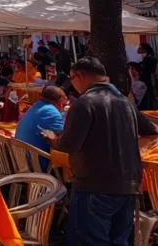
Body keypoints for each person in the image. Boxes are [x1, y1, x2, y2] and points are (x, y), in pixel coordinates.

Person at [50, 57, 158, 244]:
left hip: (94, 185)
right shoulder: (125, 101)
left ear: (80, 76)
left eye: (72, 78)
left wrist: (54, 140)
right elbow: (152, 130)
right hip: (127, 186)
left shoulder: (84, 102)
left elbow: (70, 145)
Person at [14, 85, 65, 166]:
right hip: (37, 167)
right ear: (61, 101)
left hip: (21, 164)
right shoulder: (53, 113)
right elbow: (62, 144)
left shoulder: (34, 108)